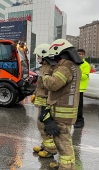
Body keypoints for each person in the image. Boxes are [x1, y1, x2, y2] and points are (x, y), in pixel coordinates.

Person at [41, 39, 83, 170]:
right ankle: (66, 165)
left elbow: (52, 84)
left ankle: (66, 167)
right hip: (67, 108)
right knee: (65, 139)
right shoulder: (74, 67)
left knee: (62, 141)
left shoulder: (65, 68)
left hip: (61, 110)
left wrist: (45, 75)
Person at [31, 44, 58, 158]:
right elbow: (40, 86)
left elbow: (50, 86)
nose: (37, 58)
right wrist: (35, 94)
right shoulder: (45, 67)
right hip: (41, 100)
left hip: (47, 102)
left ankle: (50, 150)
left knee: (43, 125)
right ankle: (45, 145)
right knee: (41, 124)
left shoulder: (51, 68)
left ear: (43, 55)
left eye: (38, 56)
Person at [74, 49, 91, 128]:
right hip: (74, 87)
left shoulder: (85, 64)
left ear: (84, 55)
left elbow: (85, 76)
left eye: (80, 54)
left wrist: (77, 73)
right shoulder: (74, 63)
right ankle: (75, 119)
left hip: (80, 88)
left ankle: (80, 120)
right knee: (73, 105)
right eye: (78, 54)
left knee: (79, 105)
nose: (79, 55)